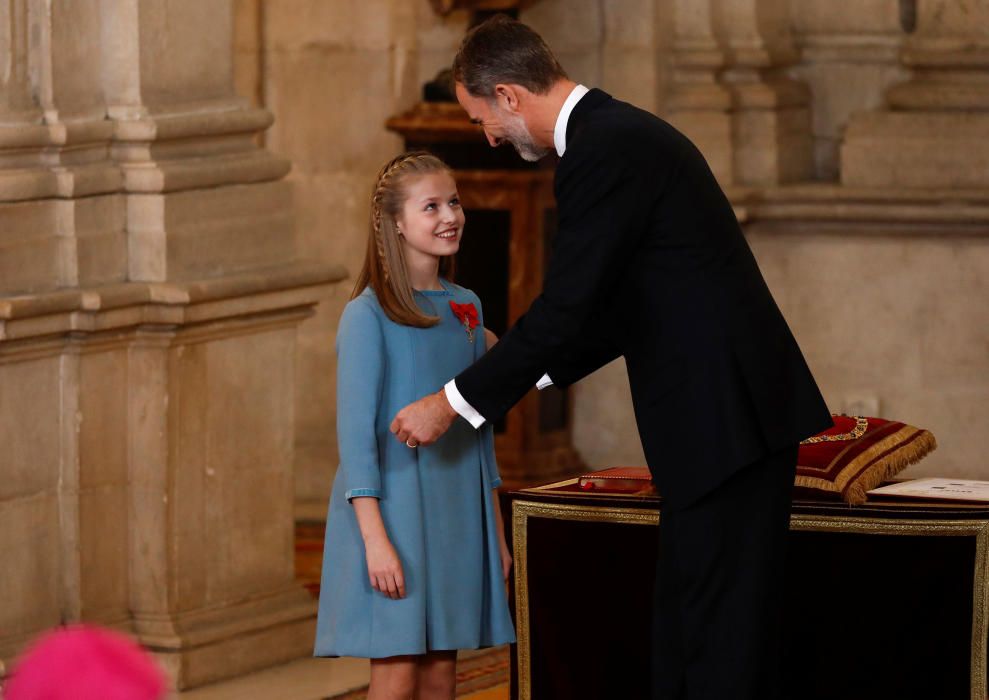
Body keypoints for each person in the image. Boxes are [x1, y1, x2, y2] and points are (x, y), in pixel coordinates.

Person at [388, 16, 833, 700]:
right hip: (721, 424)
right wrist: (526, 364)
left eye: (482, 119)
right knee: (695, 628)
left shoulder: (603, 150)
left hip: (724, 423)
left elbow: (568, 308)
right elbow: (624, 306)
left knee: (719, 641)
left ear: (509, 95)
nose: (487, 137)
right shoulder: (614, 136)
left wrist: (449, 403)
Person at [314, 152, 515, 700]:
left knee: (440, 675)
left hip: (454, 512)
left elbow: (479, 431)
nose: (450, 215)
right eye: (431, 206)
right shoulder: (368, 314)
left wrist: (494, 534)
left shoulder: (465, 308)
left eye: (454, 202)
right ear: (396, 223)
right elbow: (355, 442)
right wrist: (376, 543)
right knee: (399, 671)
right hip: (392, 516)